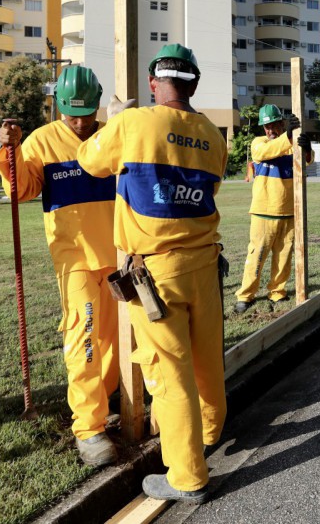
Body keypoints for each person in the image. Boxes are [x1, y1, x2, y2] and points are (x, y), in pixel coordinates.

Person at [78, 43, 228, 503]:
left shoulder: (134, 123)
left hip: (156, 275)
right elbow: (212, 183)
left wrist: (116, 119)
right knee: (207, 359)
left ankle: (187, 476)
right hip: (204, 264)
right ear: (193, 86)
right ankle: (210, 432)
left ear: (152, 83)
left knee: (168, 372)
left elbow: (89, 161)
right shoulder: (214, 135)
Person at [0, 65, 120, 467]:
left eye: (87, 114)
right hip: (75, 256)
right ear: (59, 107)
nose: (80, 122)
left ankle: (108, 397)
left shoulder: (112, 135)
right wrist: (10, 153)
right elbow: (22, 190)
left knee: (116, 338)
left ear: (98, 105)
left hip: (120, 252)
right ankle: (89, 426)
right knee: (83, 336)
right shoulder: (42, 141)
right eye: (71, 114)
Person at [234, 104, 311, 313]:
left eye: (274, 125)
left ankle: (277, 292)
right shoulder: (259, 143)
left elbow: (308, 161)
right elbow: (267, 151)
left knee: (283, 256)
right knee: (256, 255)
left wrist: (307, 147)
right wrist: (288, 137)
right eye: (267, 126)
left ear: (282, 123)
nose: (270, 130)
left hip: (289, 211)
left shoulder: (291, 145)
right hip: (263, 212)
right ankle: (245, 295)